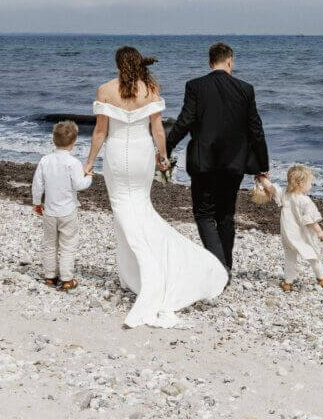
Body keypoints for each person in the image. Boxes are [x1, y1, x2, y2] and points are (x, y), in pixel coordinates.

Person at [83, 46, 228, 328]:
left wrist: (89, 161)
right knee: (139, 208)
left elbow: (100, 131)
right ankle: (131, 274)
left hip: (115, 156)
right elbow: (158, 130)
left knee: (124, 212)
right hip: (140, 156)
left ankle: (143, 274)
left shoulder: (105, 90)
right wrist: (162, 157)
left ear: (117, 64)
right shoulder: (150, 89)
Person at [166, 41, 269, 279]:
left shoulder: (195, 86)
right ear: (230, 60)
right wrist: (262, 166)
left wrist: (166, 147)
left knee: (203, 214)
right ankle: (226, 267)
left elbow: (185, 121)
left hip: (203, 162)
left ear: (210, 61)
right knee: (225, 215)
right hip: (234, 163)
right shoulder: (246, 89)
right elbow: (256, 129)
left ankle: (219, 269)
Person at [32, 120, 92, 291]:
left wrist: (37, 203)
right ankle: (66, 279)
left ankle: (50, 276)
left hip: (50, 211)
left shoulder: (45, 160)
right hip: (68, 212)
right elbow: (80, 185)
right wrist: (89, 176)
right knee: (68, 245)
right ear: (73, 143)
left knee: (50, 244)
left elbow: (37, 185)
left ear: (53, 140)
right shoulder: (73, 163)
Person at [257, 166, 323, 292]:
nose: (311, 185)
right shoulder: (305, 201)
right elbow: (310, 220)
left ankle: (288, 283)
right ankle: (321, 278)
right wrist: (319, 231)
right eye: (310, 182)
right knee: (313, 256)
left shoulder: (285, 194)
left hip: (289, 235)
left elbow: (270, 188)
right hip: (303, 236)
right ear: (301, 183)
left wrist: (261, 177)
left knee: (290, 258)